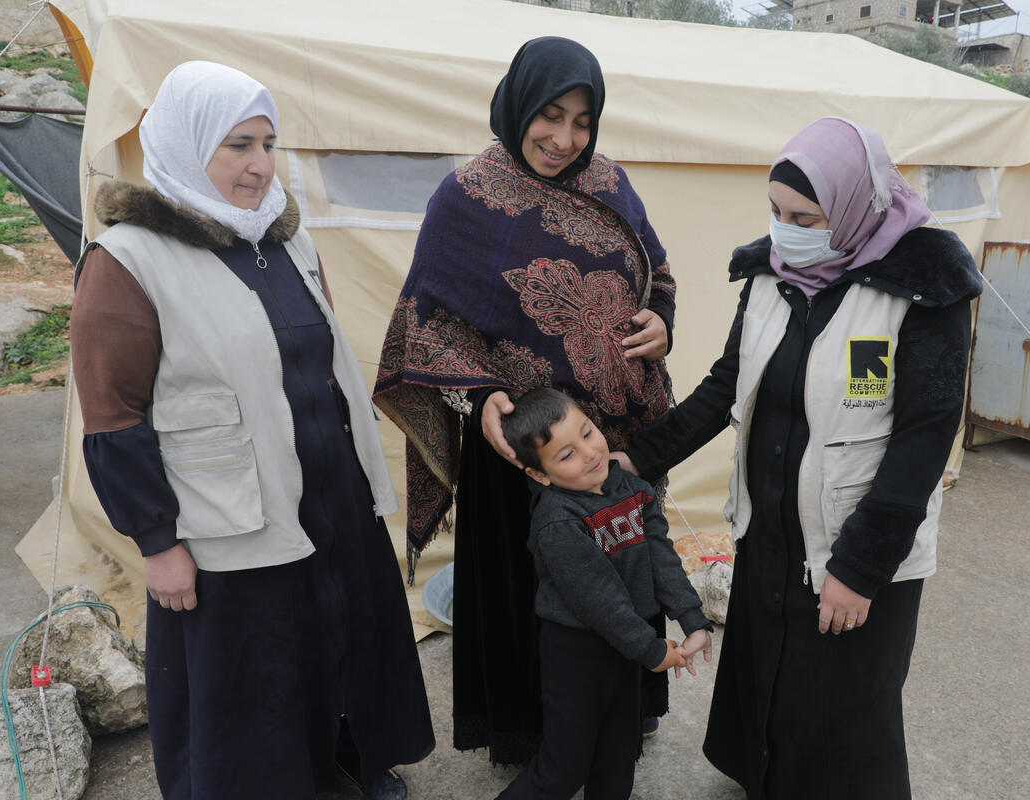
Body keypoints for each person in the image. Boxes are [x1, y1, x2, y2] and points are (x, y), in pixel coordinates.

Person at [71, 61, 433, 800]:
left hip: (330, 489)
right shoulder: (128, 260)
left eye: (268, 144)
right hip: (228, 514)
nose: (260, 166)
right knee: (260, 671)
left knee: (339, 637)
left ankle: (350, 759)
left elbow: (320, 358)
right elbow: (114, 419)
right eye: (238, 145)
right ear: (185, 142)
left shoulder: (286, 238)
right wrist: (158, 543)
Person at [617, 117, 983, 799]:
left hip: (855, 537)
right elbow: (729, 383)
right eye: (776, 212)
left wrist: (861, 568)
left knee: (847, 700)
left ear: (853, 206)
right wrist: (642, 457)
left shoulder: (923, 286)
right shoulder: (770, 276)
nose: (786, 230)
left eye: (804, 217)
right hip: (772, 525)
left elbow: (924, 439)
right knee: (772, 673)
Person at [373, 37, 677, 763]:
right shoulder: (465, 197)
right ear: (517, 106)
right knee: (529, 591)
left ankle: (621, 712)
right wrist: (479, 397)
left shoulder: (609, 181)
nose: (564, 138)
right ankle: (530, 730)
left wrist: (662, 321)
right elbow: (424, 320)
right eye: (549, 116)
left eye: (581, 120)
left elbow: (655, 271)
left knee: (619, 574)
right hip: (522, 450)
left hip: (607, 441)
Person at [495, 388, 712, 800]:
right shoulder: (557, 523)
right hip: (579, 654)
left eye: (588, 433)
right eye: (566, 455)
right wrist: (650, 650)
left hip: (627, 649)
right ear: (540, 475)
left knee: (617, 755)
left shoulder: (631, 486)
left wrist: (692, 618)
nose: (591, 453)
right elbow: (601, 601)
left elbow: (660, 557)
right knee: (563, 768)